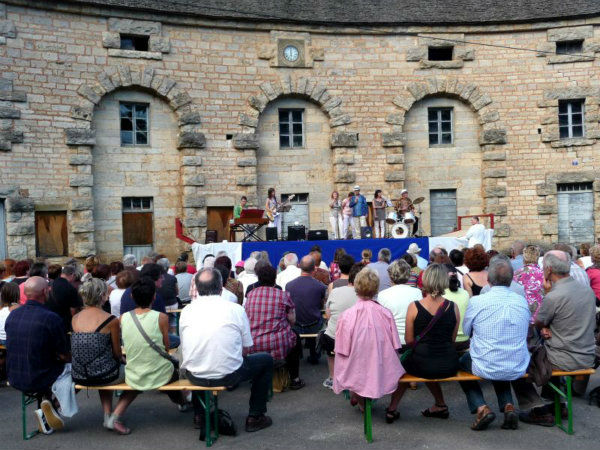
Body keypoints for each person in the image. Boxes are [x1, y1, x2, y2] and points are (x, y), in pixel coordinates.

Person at [181, 268, 274, 432]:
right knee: (266, 360)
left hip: (196, 376)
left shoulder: (186, 311)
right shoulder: (235, 309)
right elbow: (247, 346)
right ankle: (255, 416)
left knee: (197, 358)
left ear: (198, 287)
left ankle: (199, 415)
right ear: (220, 287)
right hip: (230, 375)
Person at [515, 250, 596, 426]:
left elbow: (538, 321)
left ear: (549, 269)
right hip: (587, 355)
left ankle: (536, 408)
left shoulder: (554, 296)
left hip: (564, 358)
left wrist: (546, 298)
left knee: (517, 363)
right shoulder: (587, 291)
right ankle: (557, 403)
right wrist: (547, 327)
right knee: (545, 351)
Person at [459, 256, 530, 430]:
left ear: (488, 280)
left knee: (461, 363)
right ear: (511, 279)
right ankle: (508, 405)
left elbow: (466, 332)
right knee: (501, 358)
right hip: (517, 363)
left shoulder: (477, 301)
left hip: (488, 362)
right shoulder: (521, 301)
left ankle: (481, 407)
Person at [387, 264, 460, 420]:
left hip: (423, 362)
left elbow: (409, 340)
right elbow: (452, 340)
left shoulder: (414, 306)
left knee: (406, 367)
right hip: (449, 364)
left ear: (425, 281)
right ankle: (440, 404)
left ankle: (392, 408)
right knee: (426, 363)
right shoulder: (453, 307)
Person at [333, 267, 405, 414]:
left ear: (356, 287)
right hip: (380, 361)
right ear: (376, 288)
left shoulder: (347, 315)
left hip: (356, 363)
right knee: (394, 369)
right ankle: (365, 400)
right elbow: (395, 344)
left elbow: (341, 348)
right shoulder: (385, 313)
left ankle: (361, 402)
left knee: (350, 372)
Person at [71, 278, 136, 434]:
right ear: (102, 296)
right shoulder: (110, 320)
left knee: (103, 367)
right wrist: (126, 361)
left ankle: (107, 415)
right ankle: (115, 416)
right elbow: (117, 353)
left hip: (80, 374)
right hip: (103, 373)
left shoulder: (75, 319)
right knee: (140, 377)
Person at [5, 277, 69, 434]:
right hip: (40, 376)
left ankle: (46, 408)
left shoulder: (12, 316)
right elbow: (63, 355)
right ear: (45, 292)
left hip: (14, 375)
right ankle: (52, 404)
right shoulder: (51, 318)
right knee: (77, 372)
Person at [120, 277, 186, 418]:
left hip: (133, 373)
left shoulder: (123, 318)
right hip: (160, 374)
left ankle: (115, 416)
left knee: (157, 373)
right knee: (176, 370)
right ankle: (184, 401)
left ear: (132, 296)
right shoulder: (161, 317)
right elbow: (166, 348)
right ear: (154, 297)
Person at [245, 264, 304, 390]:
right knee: (295, 336)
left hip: (253, 343)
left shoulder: (250, 295)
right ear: (275, 278)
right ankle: (295, 379)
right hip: (277, 343)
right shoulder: (283, 295)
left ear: (258, 278)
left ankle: (255, 376)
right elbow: (292, 320)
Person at [321, 263, 362, 389]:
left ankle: (333, 377)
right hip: (356, 339)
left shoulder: (335, 291)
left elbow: (327, 315)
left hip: (334, 338)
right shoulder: (365, 296)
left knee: (327, 335)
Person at [285, 256, 327, 364]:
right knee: (321, 319)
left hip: (296, 325)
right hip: (314, 325)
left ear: (299, 266)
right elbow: (323, 304)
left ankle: (298, 352)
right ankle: (315, 354)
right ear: (314, 269)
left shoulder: (289, 286)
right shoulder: (320, 286)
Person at [377, 259, 423, 344]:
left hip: (392, 341)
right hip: (413, 341)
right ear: (408, 275)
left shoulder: (382, 295)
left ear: (390, 276)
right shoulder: (417, 293)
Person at [46, 265, 83, 334]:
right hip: (64, 323)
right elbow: (73, 310)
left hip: (48, 319)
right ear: (72, 275)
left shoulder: (50, 284)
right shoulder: (70, 288)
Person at [513, 245, 545, 323]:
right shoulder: (544, 274)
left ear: (524, 257)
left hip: (521, 314)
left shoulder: (516, 274)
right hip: (540, 315)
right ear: (537, 257)